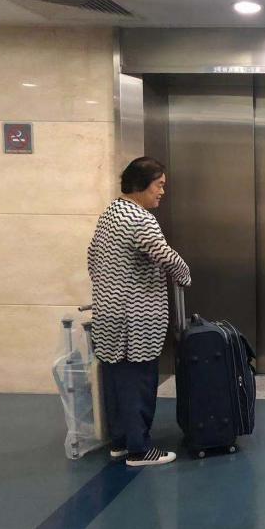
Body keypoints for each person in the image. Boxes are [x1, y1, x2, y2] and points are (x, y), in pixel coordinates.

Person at [87, 157, 191, 467]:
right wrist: (185, 274)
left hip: (108, 314)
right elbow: (164, 255)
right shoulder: (140, 218)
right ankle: (140, 450)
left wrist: (110, 289)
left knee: (117, 381)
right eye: (159, 185)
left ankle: (121, 442)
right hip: (136, 319)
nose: (162, 192)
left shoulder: (110, 213)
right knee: (138, 382)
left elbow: (91, 257)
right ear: (140, 185)